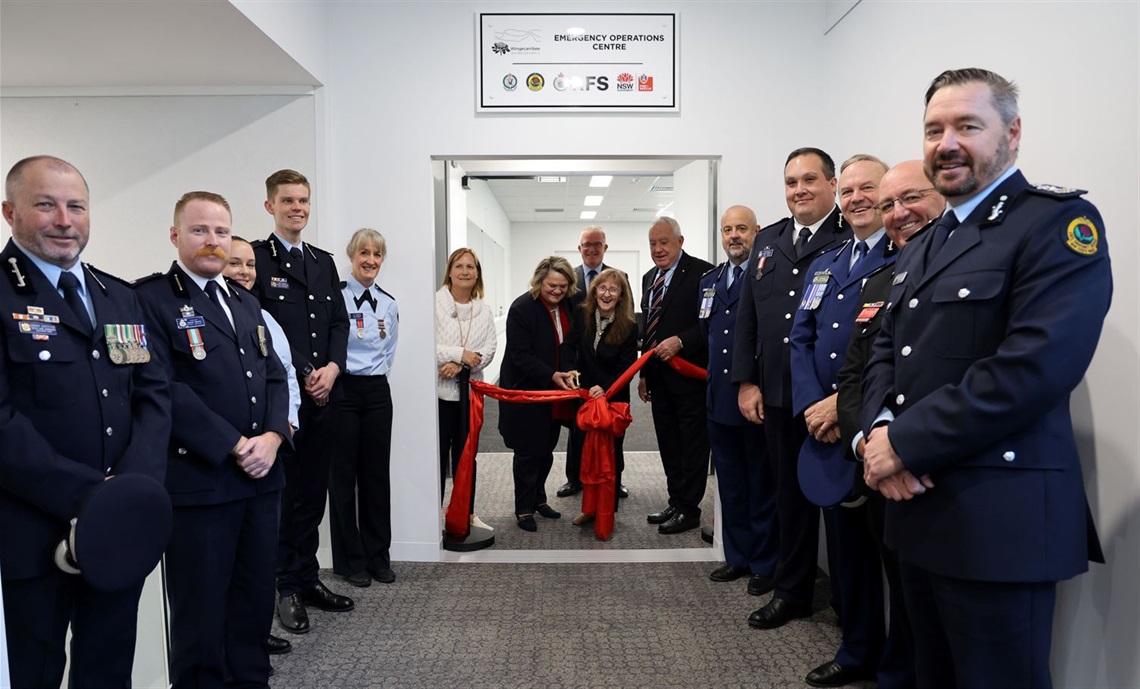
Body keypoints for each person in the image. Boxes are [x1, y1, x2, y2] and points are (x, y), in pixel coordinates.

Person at [861, 68, 1110, 688]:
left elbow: (1035, 367)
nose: (947, 142)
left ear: (1012, 133)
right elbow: (886, 348)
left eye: (968, 126)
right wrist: (878, 430)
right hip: (917, 511)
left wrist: (904, 443)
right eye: (934, 129)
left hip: (998, 520)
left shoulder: (1057, 223)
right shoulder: (925, 241)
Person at [0, 155, 171, 688]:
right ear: (9, 212)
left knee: (108, 663)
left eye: (76, 206)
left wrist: (129, 489)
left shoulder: (117, 295)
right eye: (45, 204)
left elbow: (154, 394)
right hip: (32, 530)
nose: (64, 220)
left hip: (117, 528)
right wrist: (90, 495)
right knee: (36, 670)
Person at [135, 191, 290, 687]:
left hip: (262, 479)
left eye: (222, 231)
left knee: (253, 599)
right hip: (202, 481)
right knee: (200, 614)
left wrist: (272, 436)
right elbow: (161, 386)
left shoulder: (244, 300)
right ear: (176, 235)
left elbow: (273, 376)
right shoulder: (151, 300)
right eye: (200, 230)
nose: (212, 241)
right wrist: (232, 444)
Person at [835, 159, 945, 689]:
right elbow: (859, 372)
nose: (899, 214)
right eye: (889, 206)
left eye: (911, 199)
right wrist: (867, 441)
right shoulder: (881, 280)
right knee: (903, 596)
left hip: (941, 469)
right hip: (879, 467)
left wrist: (901, 445)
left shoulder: (970, 265)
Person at [789, 155, 896, 688]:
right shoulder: (825, 263)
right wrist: (813, 404)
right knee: (848, 549)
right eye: (849, 189)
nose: (856, 198)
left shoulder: (906, 259)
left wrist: (841, 406)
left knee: (895, 555)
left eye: (867, 188)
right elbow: (801, 338)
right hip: (826, 428)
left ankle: (899, 661)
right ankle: (856, 647)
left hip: (876, 427)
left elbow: (897, 353)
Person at [733, 147, 851, 629]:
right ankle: (793, 590)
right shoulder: (769, 241)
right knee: (789, 499)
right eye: (790, 182)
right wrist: (746, 382)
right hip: (778, 395)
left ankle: (849, 604)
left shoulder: (854, 236)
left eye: (809, 180)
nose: (798, 190)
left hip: (832, 400)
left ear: (831, 185)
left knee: (842, 511)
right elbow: (749, 318)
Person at [250, 169, 353, 634]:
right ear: (270, 206)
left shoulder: (323, 261)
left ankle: (307, 577)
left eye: (304, 201)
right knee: (286, 497)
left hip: (326, 395)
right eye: (288, 200)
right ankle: (284, 586)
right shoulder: (255, 259)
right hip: (286, 399)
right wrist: (305, 373)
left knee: (314, 493)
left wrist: (332, 369)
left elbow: (337, 322)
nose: (298, 208)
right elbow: (256, 332)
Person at [224, 235, 300, 658]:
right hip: (230, 455)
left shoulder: (259, 315)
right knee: (229, 563)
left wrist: (279, 433)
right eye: (235, 264)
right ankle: (236, 643)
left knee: (258, 557)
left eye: (250, 265)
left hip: (272, 447)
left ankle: (252, 637)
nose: (245, 272)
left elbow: (281, 376)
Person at [700, 205, 778, 595]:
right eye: (727, 229)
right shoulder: (710, 282)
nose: (734, 235)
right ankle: (738, 557)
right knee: (729, 485)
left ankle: (765, 564)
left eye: (742, 228)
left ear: (757, 232)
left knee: (761, 485)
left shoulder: (770, 278)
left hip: (756, 399)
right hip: (718, 401)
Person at [328, 228, 399, 588]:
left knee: (375, 476)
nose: (370, 260)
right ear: (351, 256)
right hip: (343, 390)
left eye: (377, 254)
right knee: (342, 477)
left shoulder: (388, 303)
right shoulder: (335, 298)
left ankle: (377, 556)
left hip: (376, 392)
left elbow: (389, 351)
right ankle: (350, 560)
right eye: (364, 253)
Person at [638, 217, 714, 535]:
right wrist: (643, 374)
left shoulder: (704, 273)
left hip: (690, 379)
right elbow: (647, 332)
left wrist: (681, 341)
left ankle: (689, 509)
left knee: (692, 446)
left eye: (664, 242)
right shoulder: (648, 279)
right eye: (653, 243)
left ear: (680, 241)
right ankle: (675, 499)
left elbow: (710, 323)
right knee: (669, 444)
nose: (658, 249)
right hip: (658, 379)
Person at [498, 256, 578, 532]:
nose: (557, 291)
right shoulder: (522, 308)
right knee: (527, 453)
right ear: (539, 281)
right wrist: (552, 375)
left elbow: (570, 344)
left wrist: (567, 371)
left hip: (556, 395)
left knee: (546, 450)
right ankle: (523, 508)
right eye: (551, 285)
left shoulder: (569, 305)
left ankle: (539, 499)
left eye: (562, 286)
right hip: (527, 393)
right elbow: (521, 356)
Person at [563, 268, 638, 535]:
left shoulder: (629, 325)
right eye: (602, 288)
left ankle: (608, 509)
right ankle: (588, 507)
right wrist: (572, 374)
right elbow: (569, 348)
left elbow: (627, 367)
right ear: (595, 291)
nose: (607, 294)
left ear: (621, 296)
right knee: (585, 452)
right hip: (584, 396)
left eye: (613, 290)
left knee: (611, 455)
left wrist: (603, 389)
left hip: (612, 400)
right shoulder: (583, 315)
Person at [559, 225, 629, 499]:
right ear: (579, 248)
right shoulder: (570, 279)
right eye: (586, 244)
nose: (591, 249)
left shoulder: (620, 277)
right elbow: (570, 333)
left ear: (605, 247)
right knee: (578, 430)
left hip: (613, 379)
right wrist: (569, 371)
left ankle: (616, 479)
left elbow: (627, 323)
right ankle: (574, 479)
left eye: (597, 244)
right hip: (583, 375)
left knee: (614, 432)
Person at [435, 247, 497, 530]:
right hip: (438, 396)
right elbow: (429, 345)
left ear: (477, 274)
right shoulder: (434, 304)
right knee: (437, 459)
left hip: (470, 396)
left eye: (470, 267)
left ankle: (467, 513)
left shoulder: (483, 310)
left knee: (466, 458)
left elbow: (489, 349)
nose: (464, 272)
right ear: (449, 271)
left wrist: (460, 365)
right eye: (459, 266)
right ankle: (434, 514)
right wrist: (461, 354)